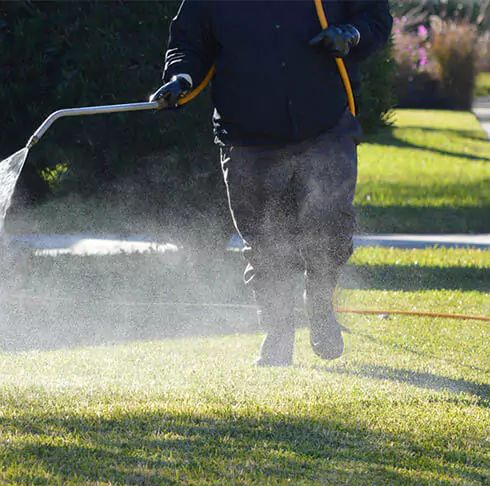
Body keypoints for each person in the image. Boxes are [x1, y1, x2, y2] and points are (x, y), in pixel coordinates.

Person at [151, 0, 392, 367]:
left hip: (323, 124)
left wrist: (351, 35)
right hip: (248, 134)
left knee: (329, 226)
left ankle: (322, 307)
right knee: (266, 243)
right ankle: (277, 335)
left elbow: (374, 14)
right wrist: (180, 79)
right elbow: (190, 42)